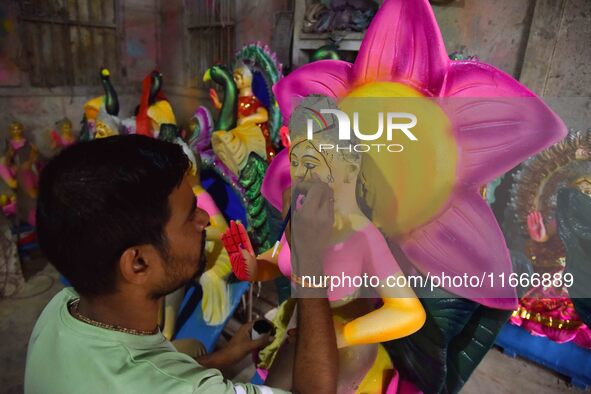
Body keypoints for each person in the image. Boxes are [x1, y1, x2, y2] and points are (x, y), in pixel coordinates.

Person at [25, 135, 338, 394]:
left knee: (191, 348)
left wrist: (227, 356)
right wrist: (308, 261)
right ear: (138, 262)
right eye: (191, 214)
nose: (204, 220)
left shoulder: (61, 308)